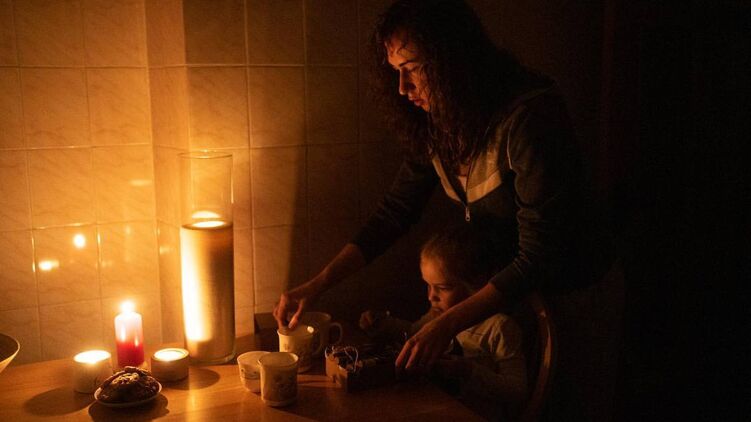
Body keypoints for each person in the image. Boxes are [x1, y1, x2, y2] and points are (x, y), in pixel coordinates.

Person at [275, 0, 616, 417]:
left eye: (413, 68)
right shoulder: (443, 122)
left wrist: (447, 323)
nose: (403, 88)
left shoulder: (529, 118)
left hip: (572, 298)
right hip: (506, 301)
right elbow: (394, 212)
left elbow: (539, 256)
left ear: (452, 61)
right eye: (395, 71)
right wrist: (317, 285)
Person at [360, 225, 527, 421]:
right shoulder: (437, 315)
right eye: (428, 285)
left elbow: (517, 392)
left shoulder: (499, 328)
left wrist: (467, 371)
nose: (431, 296)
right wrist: (383, 325)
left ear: (477, 285)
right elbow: (414, 333)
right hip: (434, 409)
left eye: (443, 287)